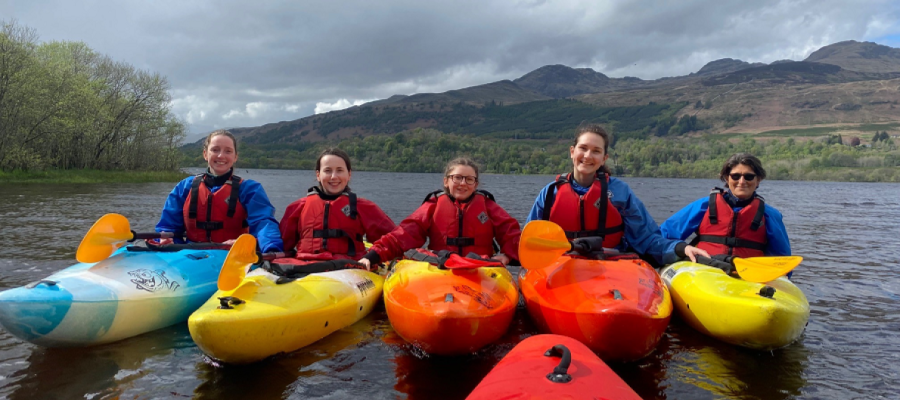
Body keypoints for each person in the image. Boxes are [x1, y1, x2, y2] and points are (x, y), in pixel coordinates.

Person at [526, 124, 707, 266]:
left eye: (596, 151)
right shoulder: (550, 192)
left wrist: (680, 248)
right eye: (583, 148)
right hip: (563, 263)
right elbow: (530, 241)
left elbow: (646, 238)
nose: (588, 156)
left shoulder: (620, 192)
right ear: (572, 152)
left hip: (610, 263)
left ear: (604, 158)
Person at [358, 157, 521, 269]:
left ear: (476, 184)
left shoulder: (488, 206)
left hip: (480, 267)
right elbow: (404, 234)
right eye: (457, 178)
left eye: (469, 179)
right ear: (446, 181)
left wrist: (507, 256)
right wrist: (372, 256)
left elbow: (512, 234)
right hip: (440, 266)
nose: (463, 183)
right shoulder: (433, 205)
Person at [155, 130, 283, 253]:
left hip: (232, 255)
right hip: (190, 254)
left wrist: (267, 247)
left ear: (235, 157)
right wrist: (166, 239)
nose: (221, 155)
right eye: (215, 150)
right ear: (205, 154)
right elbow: (167, 226)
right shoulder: (185, 187)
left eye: (228, 151)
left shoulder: (250, 189)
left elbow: (264, 223)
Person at [277, 148, 396, 266]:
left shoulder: (365, 207)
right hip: (306, 267)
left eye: (339, 170)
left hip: (349, 267)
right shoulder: (297, 207)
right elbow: (281, 246)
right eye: (328, 170)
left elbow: (393, 241)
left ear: (349, 174)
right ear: (318, 175)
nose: (334, 176)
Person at [660, 153, 790, 258]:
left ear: (758, 180)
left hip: (748, 276)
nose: (742, 181)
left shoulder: (770, 215)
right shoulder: (704, 206)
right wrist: (682, 248)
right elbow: (663, 236)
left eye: (749, 177)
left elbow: (781, 257)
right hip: (704, 270)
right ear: (727, 179)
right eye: (735, 176)